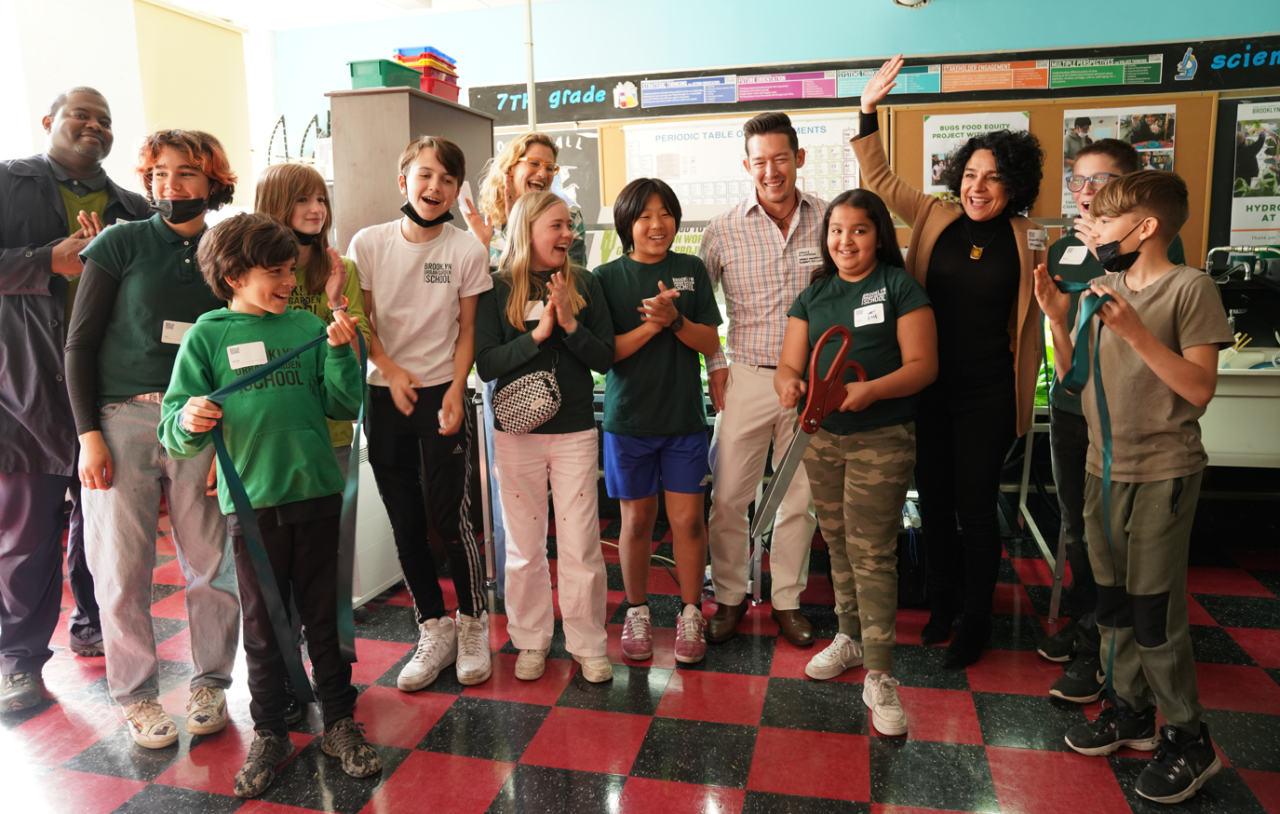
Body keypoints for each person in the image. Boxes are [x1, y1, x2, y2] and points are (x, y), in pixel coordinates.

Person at [159, 213, 379, 797]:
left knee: (324, 617)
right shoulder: (207, 336)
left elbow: (343, 403)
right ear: (232, 275)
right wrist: (189, 417)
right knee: (261, 625)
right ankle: (270, 729)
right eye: (274, 271)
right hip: (251, 508)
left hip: (316, 494)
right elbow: (175, 428)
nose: (288, 280)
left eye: (290, 269)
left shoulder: (306, 325)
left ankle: (338, 722)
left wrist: (338, 353)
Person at [1035, 170, 1232, 805]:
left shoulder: (1189, 288)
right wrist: (1059, 322)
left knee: (1153, 610)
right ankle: (1130, 711)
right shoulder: (1102, 288)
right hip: (1101, 468)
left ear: (1145, 228)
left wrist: (1135, 333)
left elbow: (1199, 390)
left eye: (1106, 219)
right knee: (1113, 603)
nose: (1091, 227)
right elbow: (1073, 384)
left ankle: (1189, 736)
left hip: (1162, 472)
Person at [855, 56, 1046, 667]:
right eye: (970, 174)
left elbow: (1045, 308)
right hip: (929, 386)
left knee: (975, 505)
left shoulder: (1029, 236)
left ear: (1012, 184)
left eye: (992, 177)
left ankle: (977, 618)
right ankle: (941, 602)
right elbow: (880, 180)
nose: (977, 186)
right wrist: (867, 110)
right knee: (932, 498)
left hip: (989, 392)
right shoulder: (934, 216)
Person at [64, 129, 242, 746]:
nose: (172, 185)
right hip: (122, 419)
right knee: (120, 568)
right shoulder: (120, 243)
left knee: (211, 563)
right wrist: (89, 434)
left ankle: (210, 684)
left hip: (204, 421)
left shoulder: (227, 250)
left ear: (213, 180)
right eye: (160, 174)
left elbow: (236, 346)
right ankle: (136, 695)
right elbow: (79, 345)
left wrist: (232, 439)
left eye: (187, 173)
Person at [0, 87, 147, 712]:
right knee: (25, 536)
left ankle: (95, 629)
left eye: (105, 120)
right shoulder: (9, 184)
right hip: (24, 391)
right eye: (80, 115)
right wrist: (45, 263)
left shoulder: (132, 207)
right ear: (48, 121)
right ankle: (18, 661)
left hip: (104, 399)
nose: (94, 126)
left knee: (103, 531)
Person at [775, 189, 936, 736]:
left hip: (882, 437)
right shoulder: (815, 293)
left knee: (872, 552)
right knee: (838, 541)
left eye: (859, 230)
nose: (845, 241)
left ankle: (882, 672)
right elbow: (787, 367)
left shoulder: (899, 287)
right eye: (836, 230)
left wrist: (873, 392)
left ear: (878, 235)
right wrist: (790, 383)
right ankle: (848, 637)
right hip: (822, 439)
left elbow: (923, 367)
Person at [1038, 139, 1186, 706]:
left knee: (1136, 565)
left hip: (1138, 432)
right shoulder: (1072, 250)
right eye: (1079, 182)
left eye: (1102, 183)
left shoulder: (1154, 259)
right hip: (1077, 408)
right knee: (1080, 528)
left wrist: (1104, 250)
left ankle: (1124, 668)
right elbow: (1069, 347)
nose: (1087, 193)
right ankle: (1091, 635)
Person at [349, 136, 493, 691]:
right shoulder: (369, 243)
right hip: (385, 395)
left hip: (440, 394)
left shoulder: (465, 250)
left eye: (447, 180)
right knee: (404, 518)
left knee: (449, 516)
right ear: (403, 179)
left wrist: (457, 389)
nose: (435, 188)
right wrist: (388, 366)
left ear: (457, 191)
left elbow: (468, 330)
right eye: (425, 175)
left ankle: (472, 622)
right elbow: (362, 321)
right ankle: (432, 624)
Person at [475, 191, 614, 682]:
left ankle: (587, 642)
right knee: (524, 546)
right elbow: (486, 363)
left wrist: (571, 325)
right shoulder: (495, 289)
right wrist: (536, 336)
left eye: (569, 226)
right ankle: (530, 640)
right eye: (556, 225)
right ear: (528, 227)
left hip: (574, 430)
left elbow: (604, 357)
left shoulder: (585, 283)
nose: (567, 235)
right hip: (515, 434)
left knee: (581, 543)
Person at [702, 112, 827, 649]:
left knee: (799, 497)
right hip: (748, 378)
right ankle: (729, 596)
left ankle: (788, 602)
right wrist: (715, 366)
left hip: (810, 384)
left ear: (798, 158)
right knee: (730, 495)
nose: (771, 171)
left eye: (781, 158)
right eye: (760, 162)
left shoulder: (830, 219)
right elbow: (700, 307)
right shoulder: (723, 228)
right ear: (746, 165)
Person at [254, 162, 371, 722]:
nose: (316, 210)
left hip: (330, 437)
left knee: (324, 570)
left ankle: (328, 678)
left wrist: (336, 303)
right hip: (267, 445)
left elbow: (359, 342)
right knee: (272, 574)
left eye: (322, 199)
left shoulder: (336, 267)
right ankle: (282, 680)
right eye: (303, 199)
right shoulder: (251, 267)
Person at [595, 179, 723, 664]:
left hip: (683, 418)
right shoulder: (606, 277)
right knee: (636, 520)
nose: (657, 224)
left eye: (665, 213)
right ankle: (637, 609)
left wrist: (675, 320)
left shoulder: (689, 269)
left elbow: (710, 342)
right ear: (627, 223)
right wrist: (654, 323)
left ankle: (691, 613)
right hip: (628, 421)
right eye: (645, 215)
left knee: (689, 520)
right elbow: (607, 354)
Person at [462, 132, 588, 603]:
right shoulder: (487, 219)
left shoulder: (565, 216)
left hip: (559, 383)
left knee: (573, 524)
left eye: (551, 167)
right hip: (506, 378)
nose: (542, 173)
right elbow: (487, 293)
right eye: (534, 163)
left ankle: (566, 610)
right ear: (511, 166)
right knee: (513, 506)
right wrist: (485, 243)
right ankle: (515, 599)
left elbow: (559, 279)